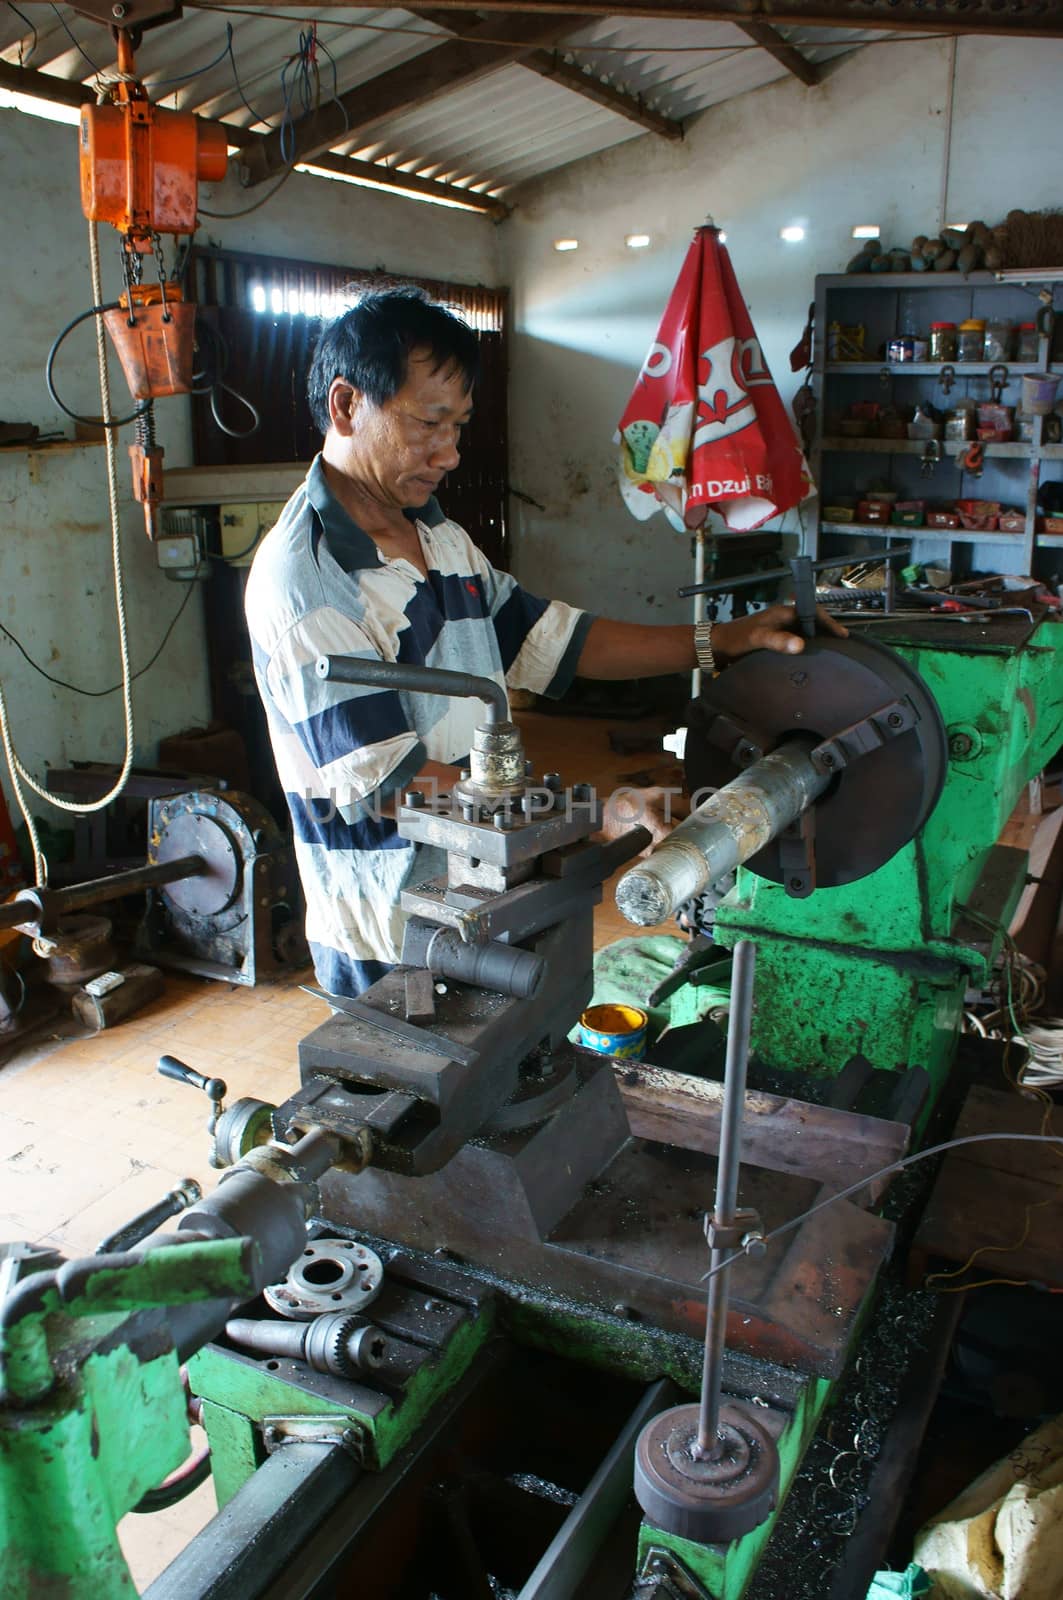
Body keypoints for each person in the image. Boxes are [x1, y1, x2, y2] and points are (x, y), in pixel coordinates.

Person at [245, 287, 843, 998]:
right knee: (420, 1095)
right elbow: (391, 791)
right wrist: (589, 816)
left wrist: (725, 641)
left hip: (486, 889)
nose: (450, 453)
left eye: (459, 426)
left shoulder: (435, 533)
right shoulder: (309, 583)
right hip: (393, 929)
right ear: (346, 406)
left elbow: (551, 640)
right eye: (429, 423)